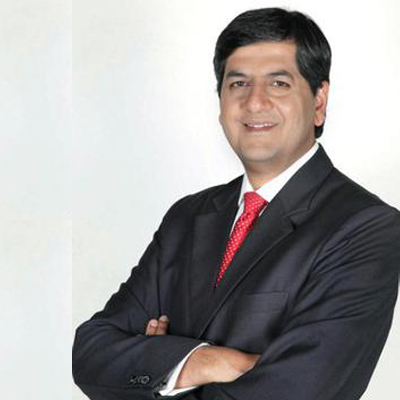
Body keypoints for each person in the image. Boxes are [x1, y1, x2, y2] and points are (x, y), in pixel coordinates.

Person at [72, 8, 400, 400]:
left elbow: (297, 392)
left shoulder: (366, 227)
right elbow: (90, 353)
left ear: (318, 100)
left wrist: (160, 366)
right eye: (238, 83)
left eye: (278, 83)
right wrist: (204, 361)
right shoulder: (187, 217)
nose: (254, 102)